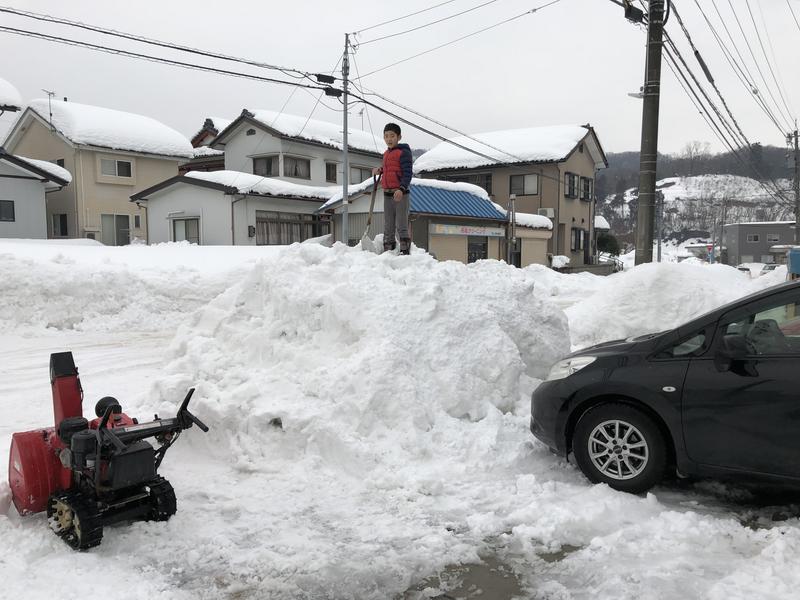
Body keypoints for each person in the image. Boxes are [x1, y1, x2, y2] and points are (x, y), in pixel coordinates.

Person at [373, 123, 413, 255]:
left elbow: (407, 173)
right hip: (387, 193)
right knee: (388, 224)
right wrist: (380, 170)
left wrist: (401, 189)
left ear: (399, 137)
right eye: (386, 136)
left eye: (392, 136)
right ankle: (388, 250)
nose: (389, 139)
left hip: (400, 193)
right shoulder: (386, 154)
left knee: (401, 224)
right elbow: (391, 169)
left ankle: (404, 251)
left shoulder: (404, 152)